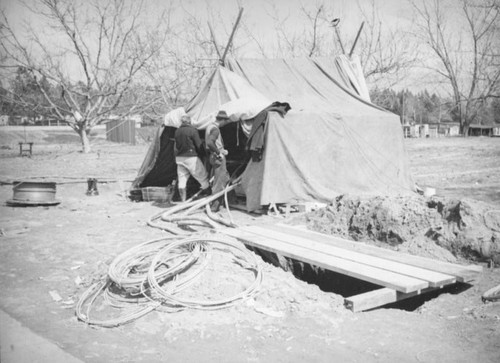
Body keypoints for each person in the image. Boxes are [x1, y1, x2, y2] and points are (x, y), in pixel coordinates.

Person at [174, 115, 211, 202]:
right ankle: (209, 197)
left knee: (182, 180)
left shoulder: (177, 131)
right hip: (191, 157)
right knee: (202, 176)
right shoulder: (192, 130)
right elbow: (198, 144)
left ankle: (183, 201)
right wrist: (204, 154)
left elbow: (175, 146)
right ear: (189, 122)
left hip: (179, 158)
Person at [205, 110, 231, 212]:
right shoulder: (215, 129)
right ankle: (214, 207)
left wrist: (220, 150)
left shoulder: (209, 126)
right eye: (225, 121)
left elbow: (210, 144)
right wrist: (219, 152)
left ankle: (222, 203)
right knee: (219, 182)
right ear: (222, 120)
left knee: (225, 178)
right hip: (217, 157)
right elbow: (210, 142)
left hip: (212, 156)